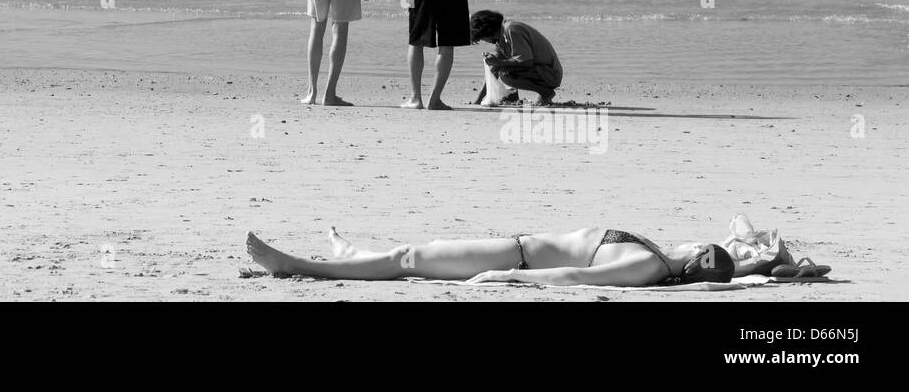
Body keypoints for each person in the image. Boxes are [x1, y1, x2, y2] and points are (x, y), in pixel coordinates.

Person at [245, 226, 736, 286]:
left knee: (407, 258)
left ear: (696, 255)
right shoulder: (658, 257)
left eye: (702, 244)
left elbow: (575, 277)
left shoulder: (648, 265)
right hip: (515, 249)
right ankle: (354, 254)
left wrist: (501, 279)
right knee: (426, 251)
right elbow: (734, 266)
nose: (698, 238)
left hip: (516, 260)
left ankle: (297, 267)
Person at [470, 10, 563, 106]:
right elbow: (494, 69)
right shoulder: (501, 36)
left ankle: (545, 92)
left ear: (488, 32)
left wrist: (498, 62)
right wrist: (478, 100)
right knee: (501, 67)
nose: (485, 41)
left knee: (505, 73)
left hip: (550, 74)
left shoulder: (511, 30)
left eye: (482, 38)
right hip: (542, 71)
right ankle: (513, 96)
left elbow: (526, 62)